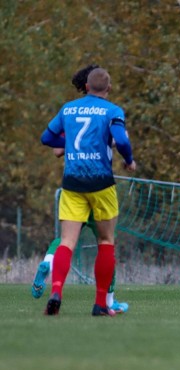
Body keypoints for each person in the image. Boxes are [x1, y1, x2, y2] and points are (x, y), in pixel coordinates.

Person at [32, 65, 128, 314]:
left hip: (72, 183)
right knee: (106, 242)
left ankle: (56, 289)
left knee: (66, 241)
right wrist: (129, 160)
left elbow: (47, 139)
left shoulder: (68, 109)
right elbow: (123, 141)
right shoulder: (112, 110)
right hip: (101, 183)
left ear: (86, 86)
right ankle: (101, 305)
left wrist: (71, 145)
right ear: (109, 88)